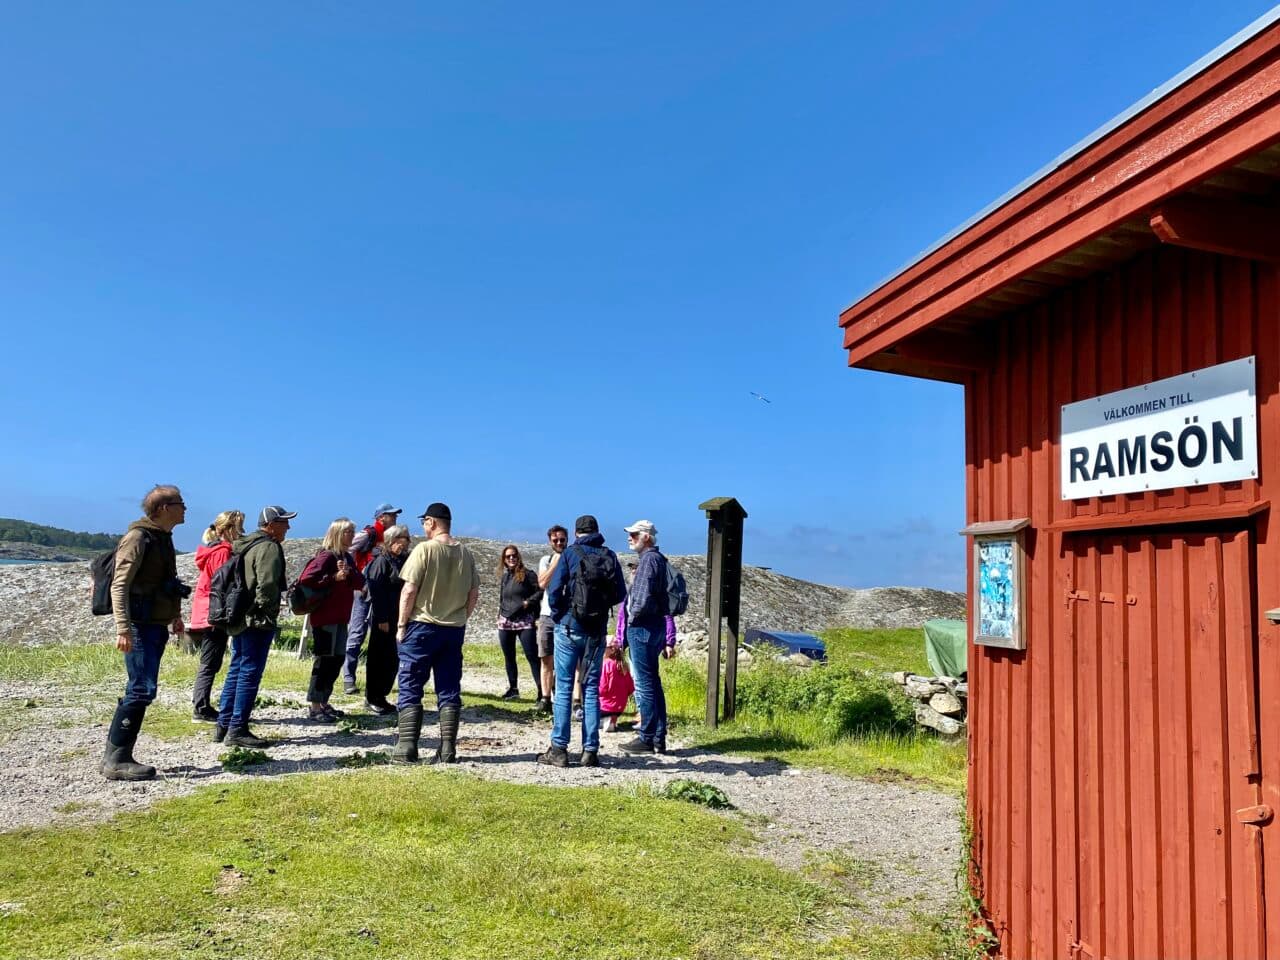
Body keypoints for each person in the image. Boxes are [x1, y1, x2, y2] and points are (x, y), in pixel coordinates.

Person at [101, 485, 189, 781]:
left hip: (154, 625)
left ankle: (118, 756)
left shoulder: (162, 538)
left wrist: (175, 616)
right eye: (180, 503)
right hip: (139, 626)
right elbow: (120, 584)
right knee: (140, 688)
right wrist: (122, 628)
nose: (185, 508)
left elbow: (166, 581)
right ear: (164, 508)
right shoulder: (138, 538)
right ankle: (116, 760)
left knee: (143, 688)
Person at [392, 503, 480, 764]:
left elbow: (409, 590)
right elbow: (474, 593)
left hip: (422, 624)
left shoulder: (424, 550)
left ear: (431, 522)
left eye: (424, 522)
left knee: (410, 683)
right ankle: (448, 748)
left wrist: (401, 624)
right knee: (449, 687)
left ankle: (406, 747)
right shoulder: (465, 553)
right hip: (453, 628)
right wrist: (462, 616)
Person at [537, 514, 626, 769]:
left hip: (568, 628)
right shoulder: (609, 555)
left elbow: (553, 591)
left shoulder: (571, 554)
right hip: (596, 632)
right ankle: (590, 751)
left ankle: (559, 749)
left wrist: (560, 615)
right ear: (597, 531)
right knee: (590, 689)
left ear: (576, 533)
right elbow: (620, 592)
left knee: (564, 687)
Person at [214, 506, 295, 749]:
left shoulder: (246, 545)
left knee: (236, 669)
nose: (288, 527)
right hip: (256, 620)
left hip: (241, 616)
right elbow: (268, 585)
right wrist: (267, 613)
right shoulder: (268, 547)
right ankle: (238, 728)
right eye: (284, 522)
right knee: (249, 672)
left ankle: (223, 724)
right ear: (271, 524)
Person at [298, 518, 365, 722]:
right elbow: (306, 580)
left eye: (353, 532)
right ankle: (315, 706)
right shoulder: (326, 556)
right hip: (324, 617)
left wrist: (347, 573)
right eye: (349, 532)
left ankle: (324, 701)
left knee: (336, 660)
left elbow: (359, 582)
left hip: (340, 617)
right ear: (338, 533)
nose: (353, 536)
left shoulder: (347, 557)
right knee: (324, 660)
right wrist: (332, 578)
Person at [618, 520, 676, 755]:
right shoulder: (659, 560)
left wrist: (631, 621)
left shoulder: (649, 560)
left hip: (642, 627)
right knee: (653, 682)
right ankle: (658, 737)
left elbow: (640, 599)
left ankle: (647, 736)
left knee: (644, 684)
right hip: (655, 626)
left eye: (634, 534)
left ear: (646, 537)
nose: (629, 537)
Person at [189, 510, 245, 722]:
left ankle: (202, 704)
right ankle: (200, 707)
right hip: (214, 612)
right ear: (230, 529)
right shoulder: (222, 552)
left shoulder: (212, 550)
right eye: (239, 527)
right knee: (210, 662)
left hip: (206, 610)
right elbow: (223, 583)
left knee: (210, 660)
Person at [343, 503, 403, 695]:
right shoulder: (369, 534)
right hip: (362, 590)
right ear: (381, 517)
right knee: (357, 632)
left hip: (379, 591)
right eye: (391, 515)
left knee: (379, 635)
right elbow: (348, 548)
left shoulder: (389, 539)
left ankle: (377, 680)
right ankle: (348, 678)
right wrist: (354, 574)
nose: (395, 518)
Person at [363, 524, 411, 715]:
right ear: (393, 540)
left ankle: (382, 695)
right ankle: (372, 697)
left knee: (392, 658)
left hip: (398, 617)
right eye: (404, 539)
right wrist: (382, 617)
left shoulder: (403, 560)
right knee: (378, 657)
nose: (407, 542)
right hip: (383, 618)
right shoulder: (381, 561)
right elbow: (376, 591)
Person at [496, 545, 544, 701]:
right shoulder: (505, 577)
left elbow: (540, 591)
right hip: (505, 621)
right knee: (509, 656)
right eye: (508, 556)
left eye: (514, 555)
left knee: (532, 656)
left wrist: (528, 603)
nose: (511, 558)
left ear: (519, 557)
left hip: (524, 620)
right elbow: (502, 597)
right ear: (504, 559)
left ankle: (542, 691)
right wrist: (499, 615)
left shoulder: (528, 575)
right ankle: (513, 688)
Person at [534, 525, 568, 713]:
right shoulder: (546, 560)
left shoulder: (572, 558)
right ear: (550, 542)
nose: (559, 543)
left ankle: (571, 699)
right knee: (546, 658)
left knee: (570, 660)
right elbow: (542, 583)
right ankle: (545, 698)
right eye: (555, 540)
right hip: (547, 614)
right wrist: (556, 563)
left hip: (566, 615)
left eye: (562, 540)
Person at [598, 641, 635, 733]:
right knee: (612, 708)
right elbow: (631, 688)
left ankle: (605, 720)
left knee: (589, 715)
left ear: (611, 650)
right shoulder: (624, 665)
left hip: (605, 707)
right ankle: (612, 720)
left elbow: (602, 688)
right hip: (620, 707)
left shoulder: (605, 664)